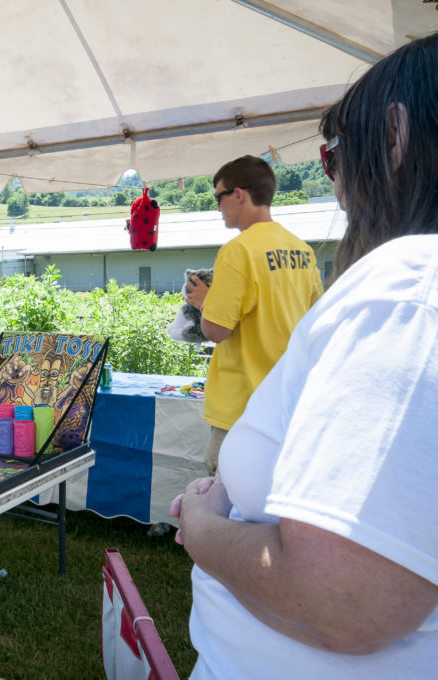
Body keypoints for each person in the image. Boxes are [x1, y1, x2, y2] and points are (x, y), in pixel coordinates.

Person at [171, 32, 438, 679]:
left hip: (239, 398)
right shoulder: (299, 248)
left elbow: (217, 331)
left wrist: (204, 530)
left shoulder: (399, 286)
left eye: (333, 156)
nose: (337, 179)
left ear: (394, 137)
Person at [184, 155, 322, 473]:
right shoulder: (303, 250)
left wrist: (205, 300)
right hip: (288, 399)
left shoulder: (238, 250)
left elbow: (216, 330)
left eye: (219, 196)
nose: (218, 207)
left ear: (239, 194)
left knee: (226, 494)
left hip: (243, 404)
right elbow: (315, 319)